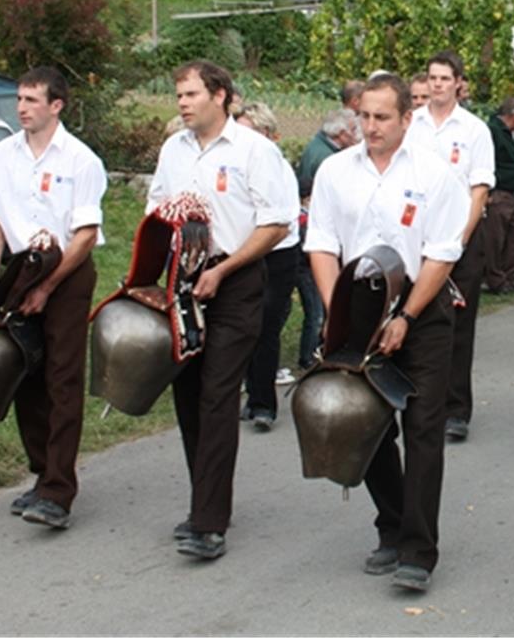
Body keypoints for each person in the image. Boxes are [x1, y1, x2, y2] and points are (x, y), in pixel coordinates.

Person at [305, 73, 468, 593]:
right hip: (356, 309)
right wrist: (337, 312)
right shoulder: (335, 171)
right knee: (362, 423)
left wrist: (406, 318)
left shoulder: (436, 175)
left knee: (423, 430)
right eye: (364, 116)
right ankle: (391, 525)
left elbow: (441, 254)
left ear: (406, 119)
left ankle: (419, 550)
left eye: (381, 118)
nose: (370, 127)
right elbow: (322, 244)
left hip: (420, 309)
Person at [147, 61, 295, 559]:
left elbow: (276, 224)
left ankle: (210, 524)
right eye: (178, 95)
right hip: (184, 284)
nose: (182, 102)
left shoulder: (256, 151)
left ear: (221, 95)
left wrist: (225, 268)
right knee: (187, 393)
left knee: (216, 394)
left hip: (235, 282)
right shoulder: (174, 150)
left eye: (191, 94)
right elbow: (156, 213)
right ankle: (203, 502)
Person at [0, 66, 107, 530]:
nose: (22, 108)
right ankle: (40, 472)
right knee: (22, 373)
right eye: (19, 99)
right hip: (20, 268)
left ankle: (58, 490)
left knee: (62, 378)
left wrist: (49, 288)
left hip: (65, 274)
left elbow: (86, 235)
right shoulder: (2, 155)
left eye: (32, 100)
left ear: (57, 105)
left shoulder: (81, 160)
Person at [405, 51, 494, 442]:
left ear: (459, 82)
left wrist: (460, 238)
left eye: (444, 78)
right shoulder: (413, 125)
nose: (437, 84)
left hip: (460, 240)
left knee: (458, 326)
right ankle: (418, 400)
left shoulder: (474, 130)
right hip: (418, 239)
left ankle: (456, 410)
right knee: (415, 318)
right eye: (432, 78)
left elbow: (479, 190)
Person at [236, 102, 301, 430]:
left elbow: (282, 220)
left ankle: (263, 404)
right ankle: (252, 395)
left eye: (249, 131)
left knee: (266, 325)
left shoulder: (274, 163)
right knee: (245, 324)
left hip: (278, 251)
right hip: (248, 249)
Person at [294, 109, 358, 370]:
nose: (358, 136)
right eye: (354, 130)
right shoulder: (328, 162)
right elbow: (321, 239)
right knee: (316, 312)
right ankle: (312, 355)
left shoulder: (323, 150)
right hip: (312, 262)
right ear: (341, 133)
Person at [482, 96, 514, 293]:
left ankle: (510, 276)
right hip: (498, 192)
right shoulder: (492, 131)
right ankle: (495, 280)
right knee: (495, 239)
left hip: (511, 193)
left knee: (513, 237)